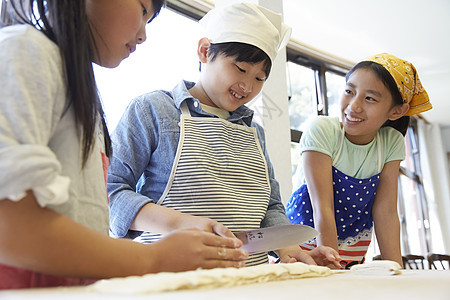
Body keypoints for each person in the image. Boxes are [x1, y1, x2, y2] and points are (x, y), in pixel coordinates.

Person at [0, 0, 249, 290]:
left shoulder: (76, 83)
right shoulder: (27, 51)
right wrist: (155, 258)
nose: (143, 35)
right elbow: (9, 223)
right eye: (143, 10)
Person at [107, 2, 341, 268]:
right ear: (205, 51)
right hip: (171, 278)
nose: (246, 86)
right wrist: (183, 224)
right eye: (240, 68)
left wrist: (290, 250)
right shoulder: (154, 110)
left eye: (259, 78)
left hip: (252, 279)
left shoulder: (254, 133)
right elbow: (112, 191)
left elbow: (271, 208)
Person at [286, 53, 433, 268]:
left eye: (370, 98)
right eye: (349, 91)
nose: (354, 106)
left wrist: (396, 270)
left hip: (352, 246)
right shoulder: (323, 130)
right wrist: (331, 264)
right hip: (306, 243)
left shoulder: (390, 143)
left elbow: (386, 212)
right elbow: (322, 207)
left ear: (396, 111)